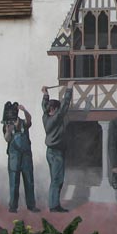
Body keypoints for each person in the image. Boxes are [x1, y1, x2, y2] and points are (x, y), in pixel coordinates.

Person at [41, 81, 74, 213]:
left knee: (55, 179)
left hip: (50, 152)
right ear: (54, 110)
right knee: (57, 180)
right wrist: (69, 89)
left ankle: (54, 204)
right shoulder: (56, 118)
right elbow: (65, 106)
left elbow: (44, 106)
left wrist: (45, 95)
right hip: (57, 153)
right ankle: (54, 206)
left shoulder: (45, 116)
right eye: (57, 109)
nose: (60, 111)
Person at [4, 102, 39, 213]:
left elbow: (29, 120)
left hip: (26, 157)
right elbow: (7, 139)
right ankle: (13, 207)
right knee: (14, 182)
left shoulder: (24, 123)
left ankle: (31, 205)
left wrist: (25, 110)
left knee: (29, 181)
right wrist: (8, 131)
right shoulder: (6, 124)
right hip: (14, 157)